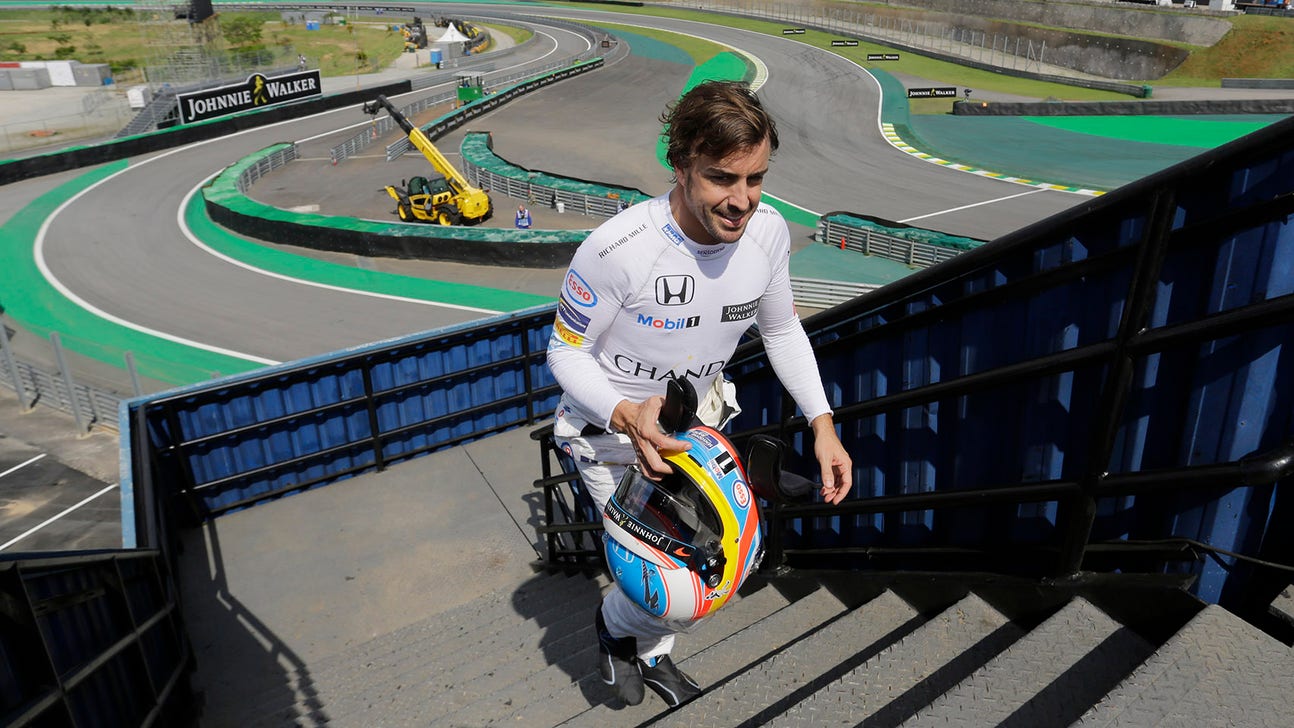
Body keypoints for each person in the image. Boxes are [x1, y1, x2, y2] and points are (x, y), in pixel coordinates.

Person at [545, 80, 853, 709]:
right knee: (674, 588)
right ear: (679, 165)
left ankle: (647, 648)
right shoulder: (615, 250)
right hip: (611, 436)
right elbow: (564, 352)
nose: (742, 201)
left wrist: (823, 423)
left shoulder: (768, 231)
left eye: (756, 179)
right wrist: (627, 414)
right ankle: (616, 627)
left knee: (712, 570)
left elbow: (780, 327)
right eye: (721, 179)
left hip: (696, 427)